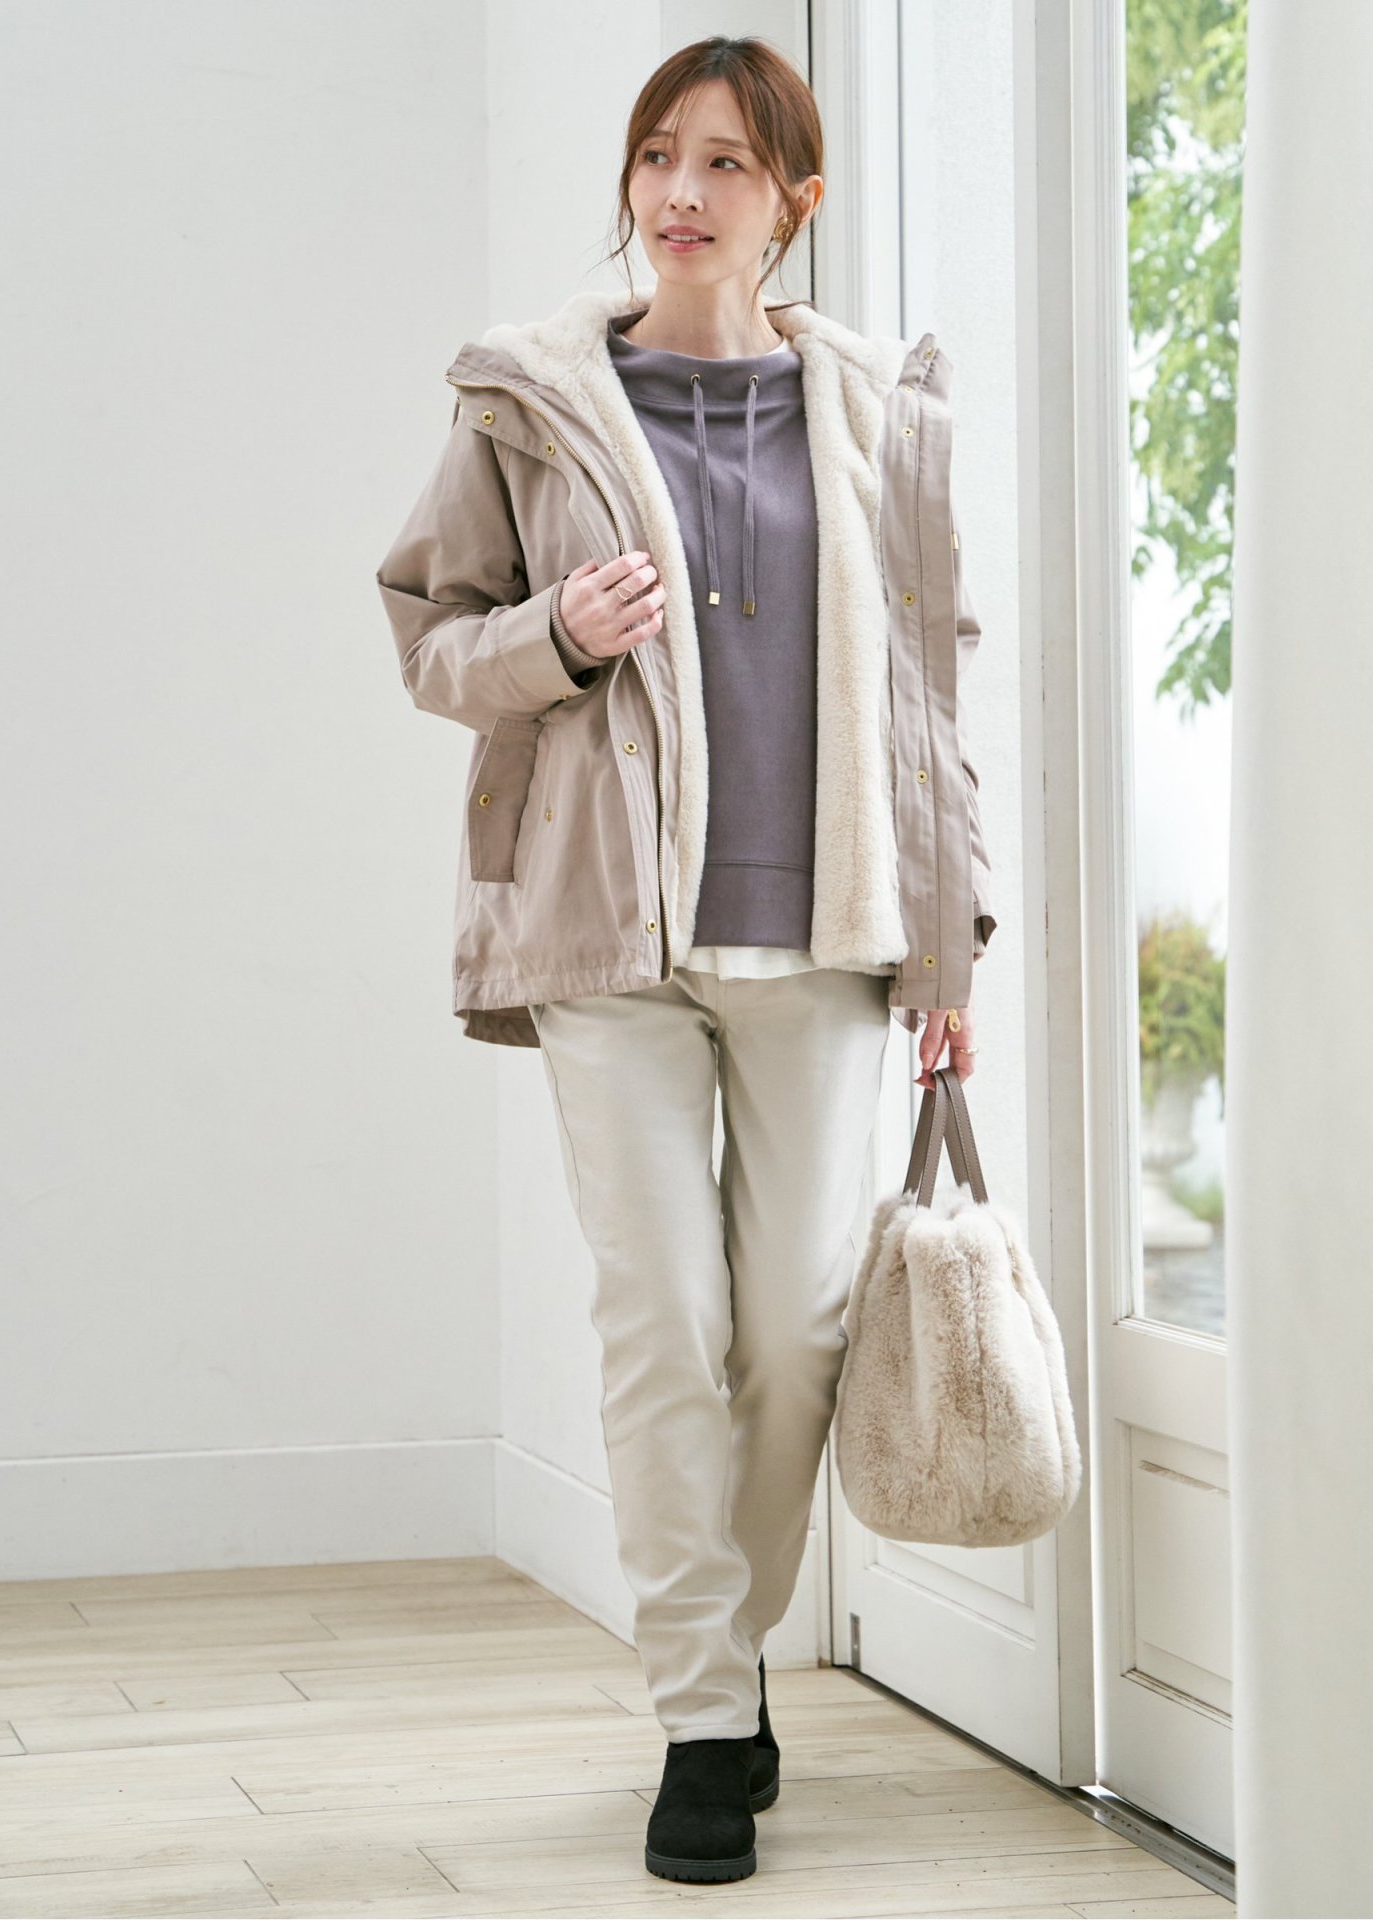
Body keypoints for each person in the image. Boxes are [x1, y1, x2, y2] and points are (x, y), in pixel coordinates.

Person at [375, 33, 996, 1887]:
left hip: (827, 933)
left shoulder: (879, 409)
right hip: (607, 932)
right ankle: (705, 1721)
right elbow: (429, 638)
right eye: (659, 154)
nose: (682, 191)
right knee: (664, 1325)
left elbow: (932, 684)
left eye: (727, 161)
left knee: (794, 1335)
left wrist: (951, 946)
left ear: (794, 202)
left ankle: (727, 1648)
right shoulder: (532, 402)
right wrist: (557, 633)